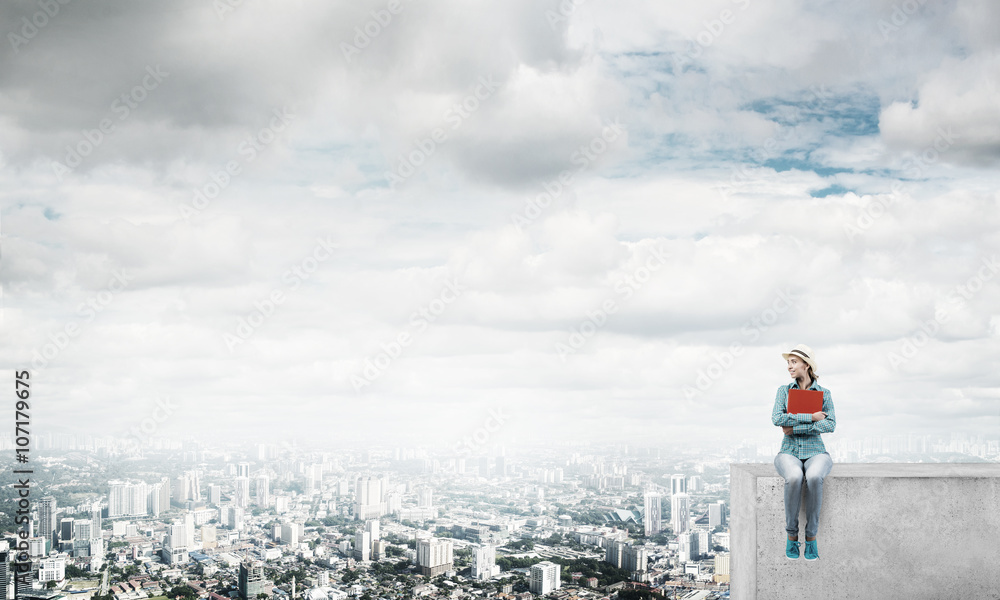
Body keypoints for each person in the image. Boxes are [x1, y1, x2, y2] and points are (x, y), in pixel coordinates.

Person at [771, 343, 835, 561]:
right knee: (795, 476)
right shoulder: (784, 391)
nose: (789, 366)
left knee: (815, 476)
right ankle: (791, 536)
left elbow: (830, 424)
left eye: (793, 362)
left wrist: (794, 425)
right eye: (788, 362)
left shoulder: (824, 394)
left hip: (817, 451)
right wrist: (811, 417)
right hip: (788, 451)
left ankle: (811, 538)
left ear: (806, 365)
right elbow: (777, 420)